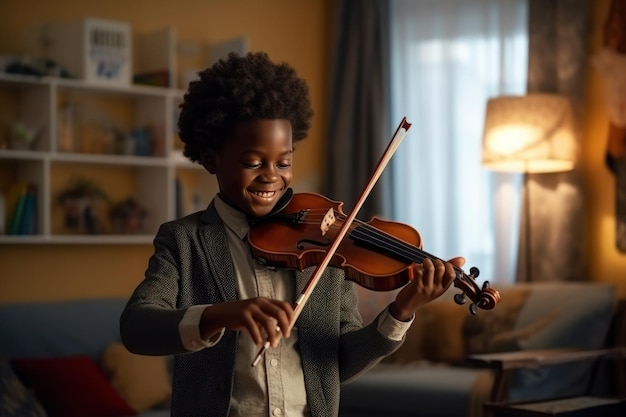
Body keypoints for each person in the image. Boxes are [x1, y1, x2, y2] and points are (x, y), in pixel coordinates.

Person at [120, 51, 465, 417]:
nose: (272, 176)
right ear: (211, 159)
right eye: (253, 162)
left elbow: (339, 363)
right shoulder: (184, 241)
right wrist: (220, 315)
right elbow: (137, 327)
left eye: (283, 162)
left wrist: (402, 309)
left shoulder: (325, 242)